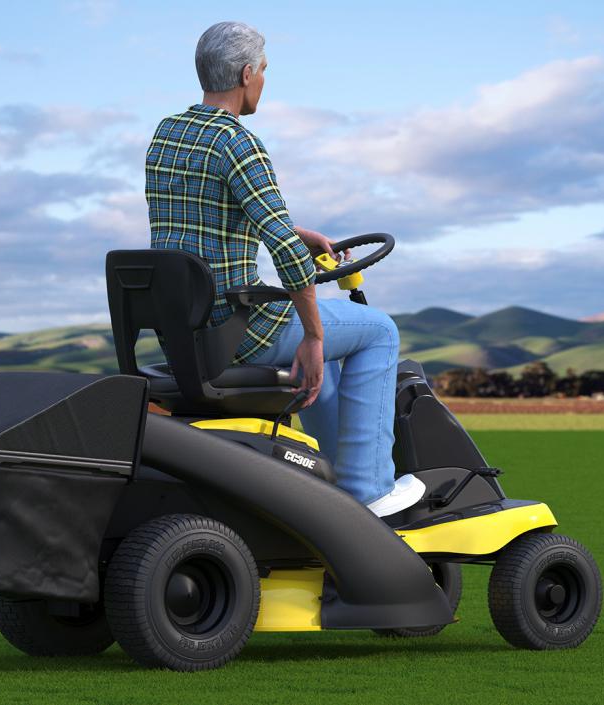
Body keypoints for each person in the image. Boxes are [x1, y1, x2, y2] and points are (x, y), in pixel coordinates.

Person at [144, 21, 425, 517]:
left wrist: (295, 231)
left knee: (326, 377)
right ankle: (370, 491)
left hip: (184, 331)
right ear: (247, 73)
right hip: (238, 330)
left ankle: (333, 487)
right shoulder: (238, 143)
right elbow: (290, 260)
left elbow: (202, 222)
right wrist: (314, 337)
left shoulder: (167, 136)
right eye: (265, 71)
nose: (264, 82)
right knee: (378, 330)